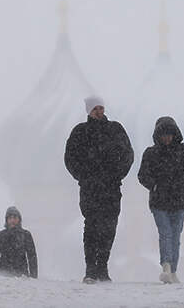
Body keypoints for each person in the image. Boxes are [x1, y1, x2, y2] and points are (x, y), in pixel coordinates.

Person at [64, 96, 134, 283]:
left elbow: (128, 154)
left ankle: (102, 265)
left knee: (109, 226)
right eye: (95, 109)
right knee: (92, 226)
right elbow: (70, 158)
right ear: (88, 111)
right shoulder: (80, 132)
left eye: (101, 108)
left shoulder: (115, 130)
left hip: (111, 188)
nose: (99, 111)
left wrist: (117, 175)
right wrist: (83, 177)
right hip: (90, 188)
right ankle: (90, 268)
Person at [138, 116, 184, 284]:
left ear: (175, 133)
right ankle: (166, 267)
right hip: (159, 202)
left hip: (179, 202)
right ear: (157, 135)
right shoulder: (150, 153)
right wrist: (155, 186)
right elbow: (142, 175)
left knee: (175, 236)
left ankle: (173, 270)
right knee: (165, 234)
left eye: (169, 134)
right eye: (163, 134)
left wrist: (183, 183)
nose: (166, 138)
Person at [0, 206, 38, 279]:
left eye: (15, 217)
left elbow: (32, 258)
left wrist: (34, 277)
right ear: (6, 220)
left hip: (22, 276)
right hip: (3, 275)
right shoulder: (0, 235)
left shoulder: (26, 235)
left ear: (19, 219)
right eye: (10, 218)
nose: (12, 220)